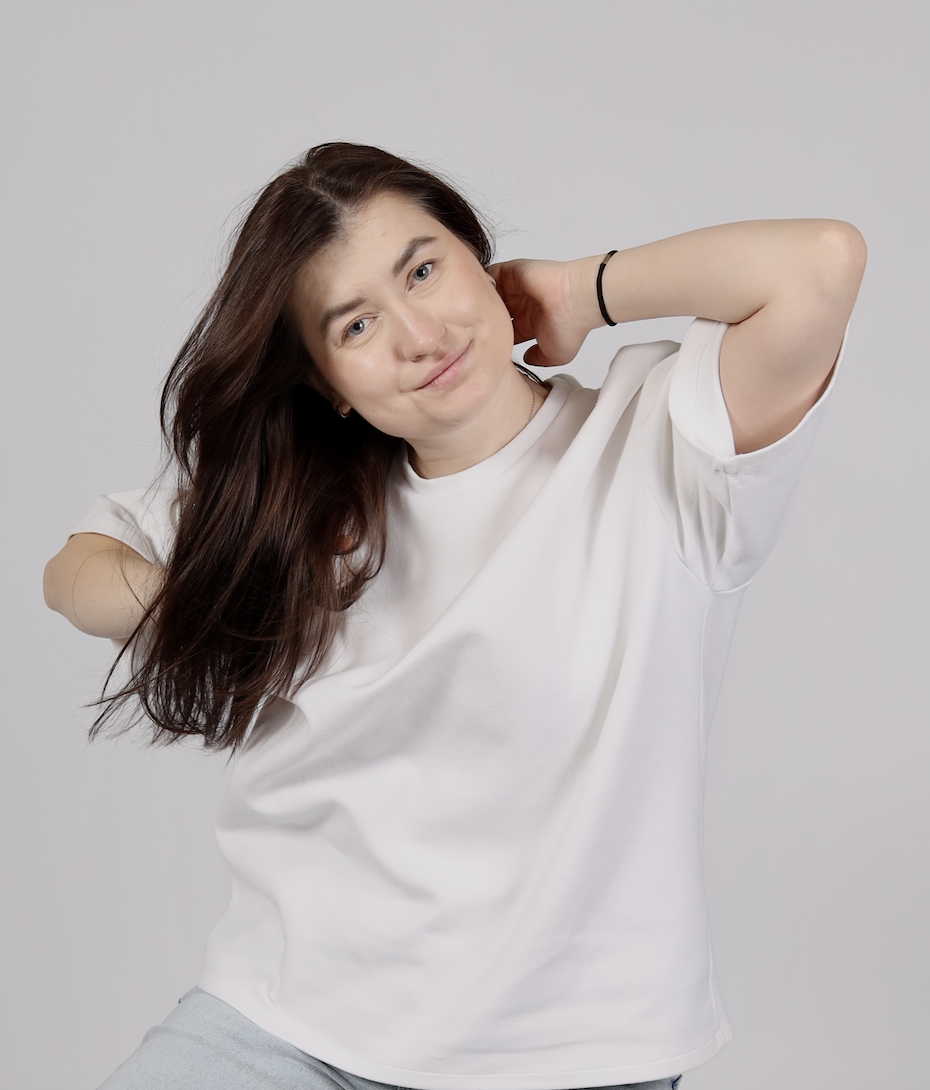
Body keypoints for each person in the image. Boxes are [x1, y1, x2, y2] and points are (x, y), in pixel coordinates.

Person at [43, 143, 866, 1090]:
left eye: (424, 271)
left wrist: (578, 290)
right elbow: (75, 570)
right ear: (327, 385)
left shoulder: (659, 443)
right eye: (356, 324)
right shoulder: (306, 511)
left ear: (482, 260)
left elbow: (821, 262)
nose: (419, 336)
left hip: (570, 1056)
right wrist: (211, 602)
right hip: (286, 1023)